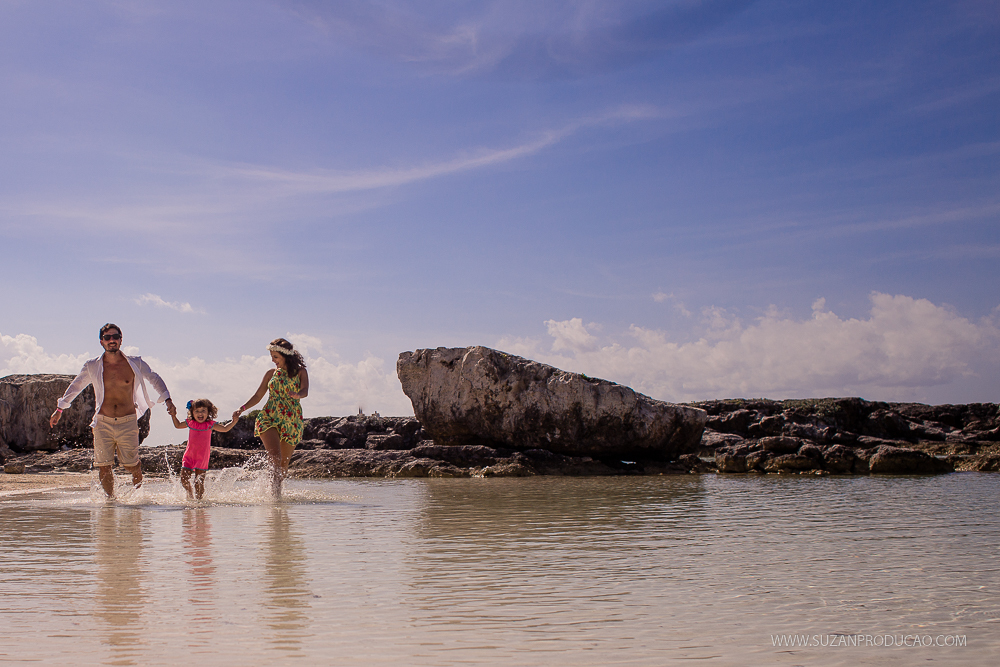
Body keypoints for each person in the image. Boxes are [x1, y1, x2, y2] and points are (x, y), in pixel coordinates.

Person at [49, 323, 175, 498]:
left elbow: (154, 378)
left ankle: (138, 499)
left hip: (128, 421)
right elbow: (76, 386)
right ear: (101, 342)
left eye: (115, 337)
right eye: (107, 338)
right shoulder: (92, 365)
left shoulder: (135, 363)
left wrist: (167, 399)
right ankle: (111, 501)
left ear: (121, 340)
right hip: (102, 422)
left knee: (131, 465)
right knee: (104, 465)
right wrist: (60, 409)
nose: (111, 340)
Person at [235, 338, 308, 497]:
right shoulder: (271, 374)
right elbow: (258, 395)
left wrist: (297, 395)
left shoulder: (301, 372)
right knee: (275, 457)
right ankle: (272, 499)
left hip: (291, 420)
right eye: (272, 357)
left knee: (283, 465)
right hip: (269, 417)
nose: (273, 360)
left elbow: (305, 391)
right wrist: (242, 408)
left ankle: (276, 497)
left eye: (275, 357)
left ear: (285, 355)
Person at [170, 398, 240, 500]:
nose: (200, 413)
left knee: (198, 482)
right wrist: (173, 415)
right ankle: (190, 494)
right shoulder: (190, 423)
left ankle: (199, 502)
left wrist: (234, 421)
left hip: (202, 457)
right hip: (189, 455)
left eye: (203, 411)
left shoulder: (210, 425)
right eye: (197, 411)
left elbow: (225, 428)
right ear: (192, 413)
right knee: (184, 479)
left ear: (208, 412)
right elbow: (177, 425)